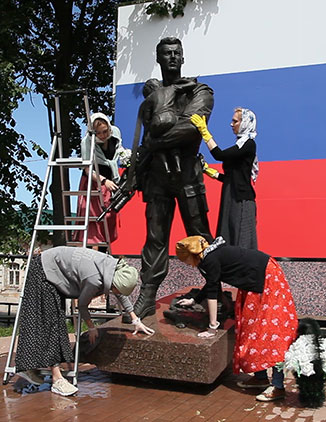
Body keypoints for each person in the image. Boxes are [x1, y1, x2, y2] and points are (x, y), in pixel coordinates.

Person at [128, 37, 215, 321]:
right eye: (167, 53)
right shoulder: (153, 96)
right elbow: (147, 133)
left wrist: (155, 141)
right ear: (159, 58)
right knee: (155, 238)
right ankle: (147, 294)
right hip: (158, 177)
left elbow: (191, 127)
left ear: (183, 57)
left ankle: (215, 289)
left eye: (177, 53)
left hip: (188, 174)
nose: (173, 57)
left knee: (200, 236)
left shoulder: (200, 91)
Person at [15, 247, 154, 396]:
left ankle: (31, 366)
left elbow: (121, 294)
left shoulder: (112, 268)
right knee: (50, 323)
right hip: (43, 270)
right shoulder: (94, 279)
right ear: (113, 284)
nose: (117, 293)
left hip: (50, 266)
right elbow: (82, 305)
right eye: (116, 290)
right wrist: (91, 327)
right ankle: (56, 379)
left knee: (52, 323)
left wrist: (135, 320)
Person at [174, 236, 298, 402]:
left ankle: (278, 386)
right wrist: (194, 300)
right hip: (253, 281)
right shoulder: (210, 256)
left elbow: (213, 292)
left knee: (271, 332)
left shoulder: (210, 259)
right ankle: (261, 378)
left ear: (192, 255)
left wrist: (213, 327)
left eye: (186, 260)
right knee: (251, 330)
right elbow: (212, 282)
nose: (187, 264)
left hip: (265, 278)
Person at [191, 108, 259, 249]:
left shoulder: (248, 144)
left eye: (235, 121)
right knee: (226, 237)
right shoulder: (240, 144)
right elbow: (232, 177)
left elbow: (219, 155)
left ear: (245, 123)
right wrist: (210, 172)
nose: (231, 124)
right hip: (230, 196)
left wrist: (205, 132)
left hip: (241, 199)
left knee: (240, 240)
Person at [73, 113, 126, 249]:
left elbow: (120, 152)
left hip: (111, 181)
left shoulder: (115, 134)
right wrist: (103, 181)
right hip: (93, 182)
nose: (102, 135)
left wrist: (127, 158)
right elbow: (87, 169)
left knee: (109, 218)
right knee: (93, 219)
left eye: (105, 131)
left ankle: (104, 252)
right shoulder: (87, 142)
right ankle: (88, 254)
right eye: (98, 133)